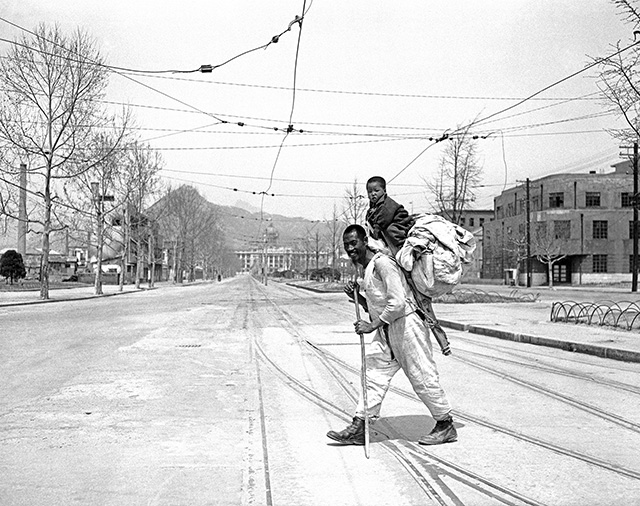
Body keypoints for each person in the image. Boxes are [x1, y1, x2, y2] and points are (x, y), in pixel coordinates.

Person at [326, 224, 457, 446]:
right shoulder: (365, 268)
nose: (350, 249)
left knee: (422, 377)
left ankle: (445, 424)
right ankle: (361, 424)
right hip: (388, 331)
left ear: (364, 241)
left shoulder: (382, 264)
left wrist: (371, 326)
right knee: (373, 375)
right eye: (346, 245)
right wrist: (358, 297)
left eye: (353, 243)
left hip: (407, 327)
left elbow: (397, 304)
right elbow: (379, 304)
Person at [365, 176, 414, 252]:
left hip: (401, 222)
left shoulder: (386, 203)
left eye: (376, 191)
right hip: (387, 225)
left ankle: (402, 247)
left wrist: (377, 227)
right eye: (370, 192)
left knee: (391, 230)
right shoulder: (374, 207)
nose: (373, 194)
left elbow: (384, 217)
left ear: (384, 190)